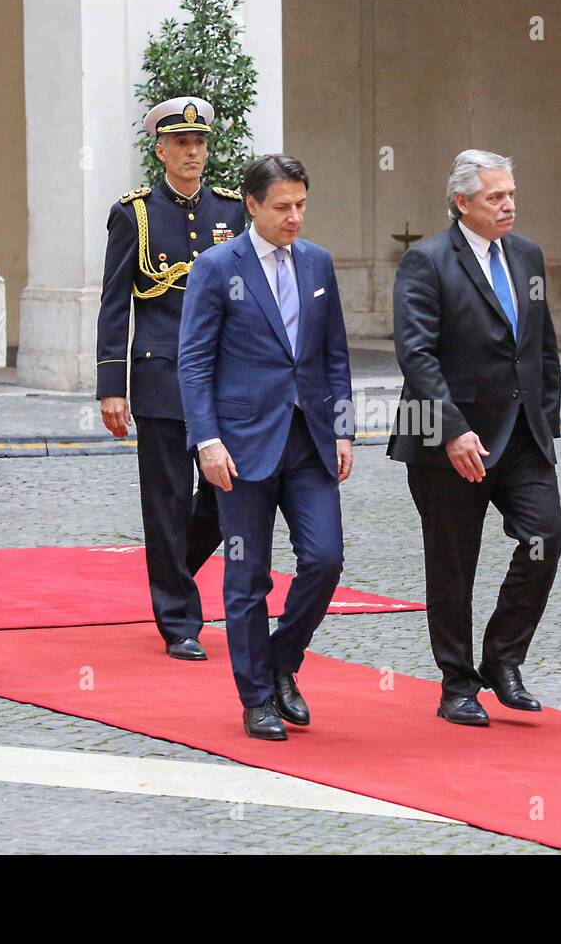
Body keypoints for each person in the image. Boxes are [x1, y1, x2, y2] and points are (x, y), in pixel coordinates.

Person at [179, 154, 354, 740]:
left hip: (309, 441)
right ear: (251, 206)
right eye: (282, 207)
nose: (294, 218)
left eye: (301, 205)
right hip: (240, 447)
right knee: (246, 577)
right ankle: (256, 696)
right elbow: (195, 360)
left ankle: (283, 661)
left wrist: (345, 427)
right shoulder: (215, 266)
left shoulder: (318, 263)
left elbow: (334, 355)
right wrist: (205, 439)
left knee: (325, 558)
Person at [388, 149, 561, 727]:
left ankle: (503, 658)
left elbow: (542, 348)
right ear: (463, 202)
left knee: (545, 537)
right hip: (451, 444)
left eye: (511, 193)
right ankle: (456, 683)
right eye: (496, 197)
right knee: (452, 565)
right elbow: (416, 355)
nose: (509, 205)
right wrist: (452, 430)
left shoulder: (529, 256)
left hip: (521, 441)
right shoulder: (427, 261)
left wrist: (547, 422)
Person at [95, 97, 245, 660]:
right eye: (182, 144)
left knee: (220, 493)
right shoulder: (134, 214)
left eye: (200, 143)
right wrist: (112, 384)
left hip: (225, 379)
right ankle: (178, 620)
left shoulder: (231, 211)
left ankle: (172, 572)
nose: (193, 153)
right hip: (160, 375)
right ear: (161, 150)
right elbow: (114, 304)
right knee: (164, 499)